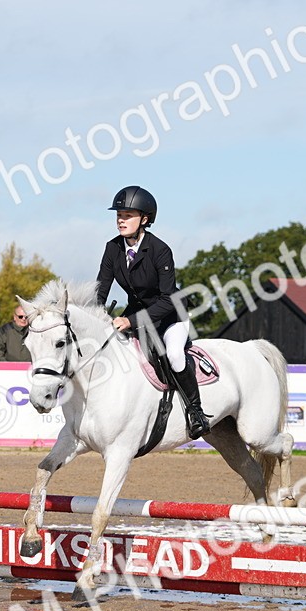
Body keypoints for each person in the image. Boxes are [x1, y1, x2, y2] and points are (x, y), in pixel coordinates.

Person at [95, 185, 210, 439]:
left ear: (144, 219)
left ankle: (196, 412)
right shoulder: (112, 248)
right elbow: (100, 291)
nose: (121, 220)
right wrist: (94, 315)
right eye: (118, 215)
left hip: (170, 316)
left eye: (127, 215)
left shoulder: (160, 250)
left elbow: (168, 299)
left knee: (174, 354)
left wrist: (130, 321)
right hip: (135, 316)